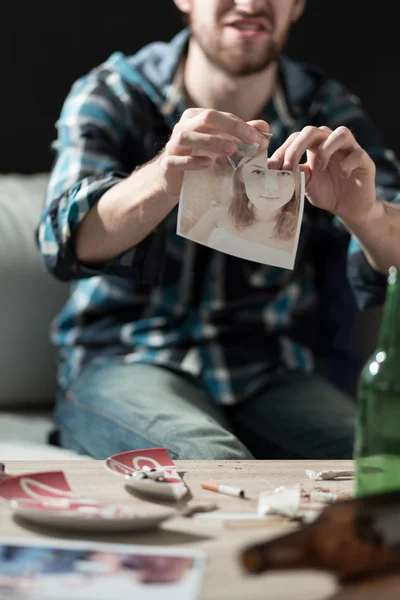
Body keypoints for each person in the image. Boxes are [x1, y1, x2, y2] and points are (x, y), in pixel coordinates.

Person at [37, 0, 400, 461]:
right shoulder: (115, 93)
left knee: (383, 461)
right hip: (127, 359)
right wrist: (164, 174)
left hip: (268, 372)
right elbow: (63, 243)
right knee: (214, 463)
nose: (250, 4)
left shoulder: (325, 108)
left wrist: (365, 214)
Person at [186, 152, 301, 267]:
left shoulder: (301, 234)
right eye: (258, 172)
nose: (269, 187)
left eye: (283, 173)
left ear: (296, 182)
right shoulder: (216, 216)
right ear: (242, 176)